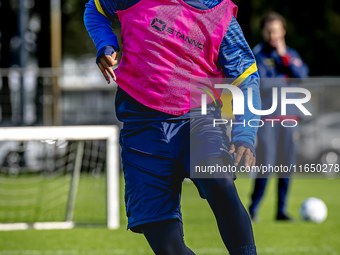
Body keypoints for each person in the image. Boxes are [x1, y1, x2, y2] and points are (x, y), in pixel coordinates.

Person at [84, 0, 261, 254]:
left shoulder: (220, 15)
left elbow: (246, 78)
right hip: (140, 127)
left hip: (199, 119)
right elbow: (95, 9)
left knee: (218, 180)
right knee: (165, 244)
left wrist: (245, 134)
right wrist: (106, 44)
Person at [249, 12, 309, 222]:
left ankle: (281, 211)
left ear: (283, 31)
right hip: (267, 119)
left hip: (289, 118)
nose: (273, 35)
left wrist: (284, 57)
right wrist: (283, 80)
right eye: (269, 31)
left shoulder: (290, 54)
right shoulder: (258, 54)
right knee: (266, 163)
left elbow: (301, 75)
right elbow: (262, 84)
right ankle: (254, 207)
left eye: (276, 30)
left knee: (286, 165)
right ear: (264, 32)